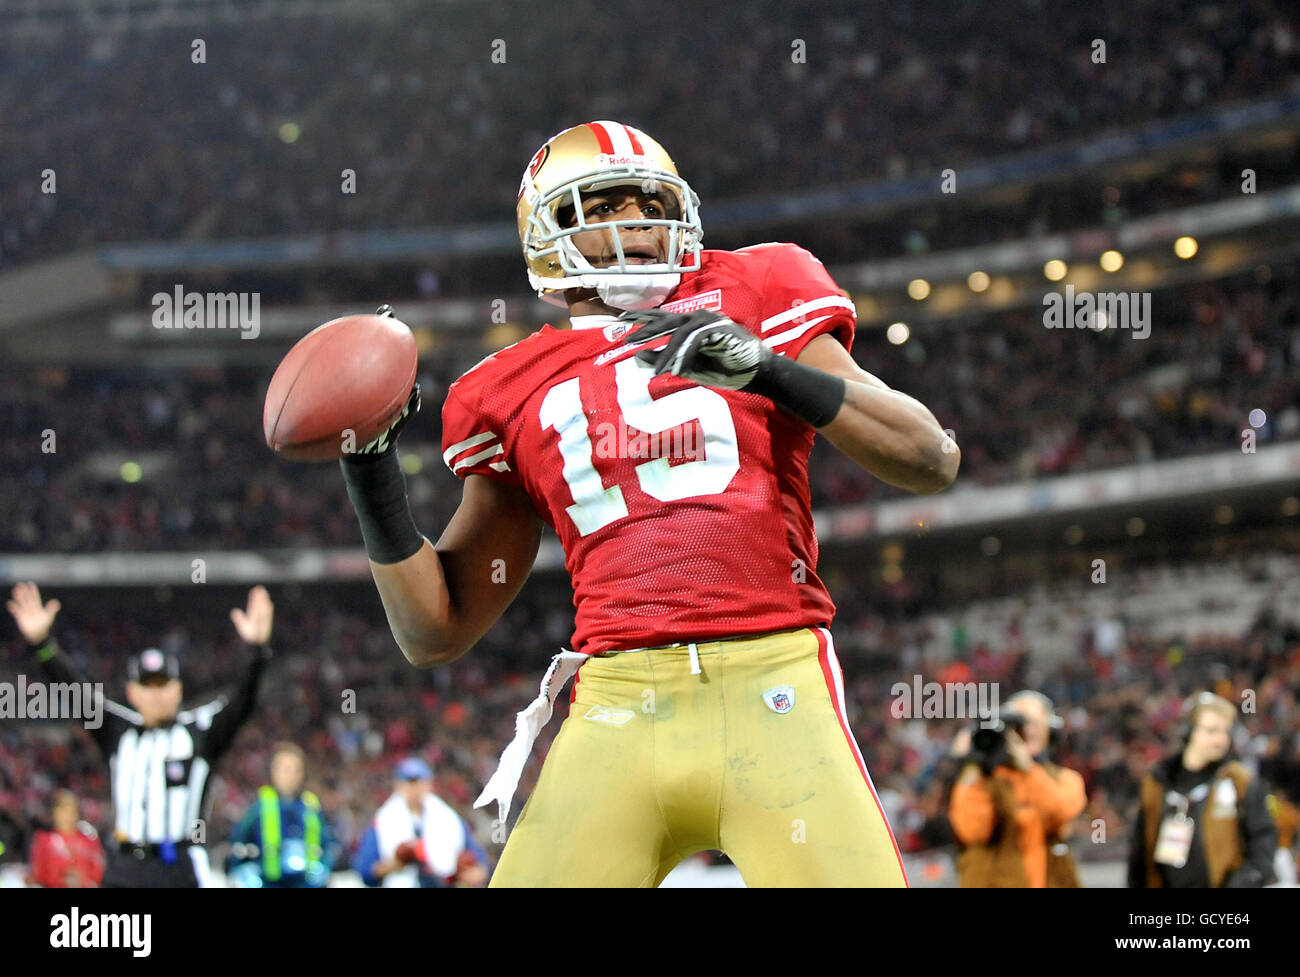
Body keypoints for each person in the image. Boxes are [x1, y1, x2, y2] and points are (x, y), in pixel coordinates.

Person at [333, 122, 959, 886]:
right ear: (547, 236)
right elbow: (435, 630)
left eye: (648, 199)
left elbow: (930, 456)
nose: (634, 219)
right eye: (603, 204)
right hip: (615, 706)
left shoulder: (758, 286)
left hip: (773, 679)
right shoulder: (505, 388)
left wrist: (766, 369)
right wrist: (371, 473)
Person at [6, 582, 274, 887]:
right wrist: (42, 645)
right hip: (125, 867)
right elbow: (77, 696)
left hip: (177, 867)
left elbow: (243, 702)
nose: (156, 694)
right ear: (133, 692)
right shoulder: (118, 732)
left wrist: (257, 653)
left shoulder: (200, 732)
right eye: (148, 686)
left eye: (164, 685)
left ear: (178, 689)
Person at [1128, 691, 1277, 888]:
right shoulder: (1157, 784)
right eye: (1211, 730)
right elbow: (1140, 852)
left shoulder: (1240, 782)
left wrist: (1244, 882)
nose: (1221, 740)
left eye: (1226, 731)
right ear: (1188, 730)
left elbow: (1263, 842)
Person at [948, 691, 1086, 887]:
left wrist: (1028, 768)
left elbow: (1058, 812)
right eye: (1019, 726)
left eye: (1035, 723)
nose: (1027, 731)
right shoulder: (985, 779)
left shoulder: (1066, 779)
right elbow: (974, 832)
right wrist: (975, 765)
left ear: (1051, 729)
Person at [352, 757, 489, 888]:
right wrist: (395, 864)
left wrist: (469, 873)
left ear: (429, 784)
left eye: (420, 781)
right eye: (410, 782)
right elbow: (366, 871)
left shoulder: (448, 818)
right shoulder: (383, 821)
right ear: (398, 785)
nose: (415, 788)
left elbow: (480, 862)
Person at [226, 742, 338, 888]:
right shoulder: (260, 807)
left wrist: (324, 868)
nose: (291, 776)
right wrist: (242, 871)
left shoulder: (311, 807)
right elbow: (238, 845)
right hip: (268, 882)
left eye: (296, 770)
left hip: (305, 883)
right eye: (285, 770)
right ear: (273, 771)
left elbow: (329, 845)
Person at [27, 790, 104, 888]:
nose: (68, 817)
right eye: (63, 811)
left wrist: (82, 879)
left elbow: (97, 873)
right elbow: (37, 873)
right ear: (54, 813)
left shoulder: (90, 842)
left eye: (72, 812)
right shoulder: (43, 840)